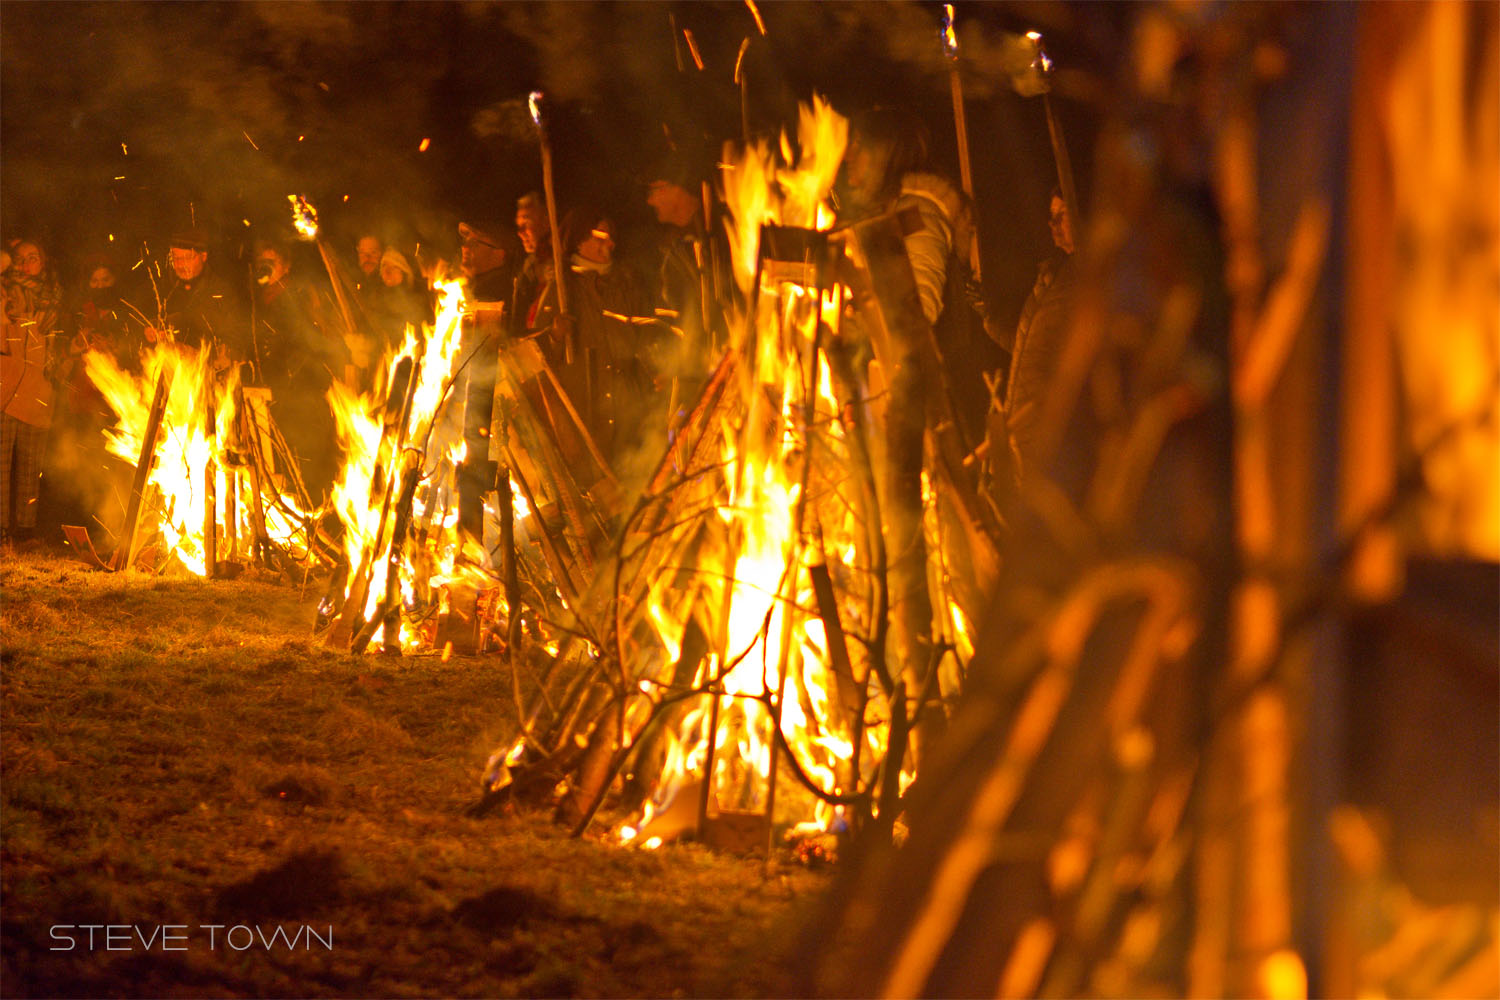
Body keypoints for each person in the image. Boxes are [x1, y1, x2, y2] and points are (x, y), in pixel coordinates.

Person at [559, 206, 657, 467]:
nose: (610, 244)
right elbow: (535, 356)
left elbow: (648, 338)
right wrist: (555, 336)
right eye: (600, 236)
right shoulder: (561, 287)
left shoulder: (626, 283)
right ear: (579, 240)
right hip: (586, 414)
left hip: (628, 412)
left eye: (611, 237)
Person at [249, 238, 343, 501]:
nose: (265, 268)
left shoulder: (296, 297)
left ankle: (310, 509)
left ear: (286, 267)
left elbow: (307, 341)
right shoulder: (261, 297)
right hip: (277, 392)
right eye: (262, 262)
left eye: (272, 263)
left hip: (301, 392)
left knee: (302, 459)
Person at [996, 187, 1078, 481]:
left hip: (1049, 437)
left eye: (1062, 215)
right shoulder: (1056, 276)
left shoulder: (1086, 283)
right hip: (1021, 427)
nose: (1052, 225)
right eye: (1051, 216)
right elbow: (1034, 349)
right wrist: (992, 323)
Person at [1, 239, 63, 545]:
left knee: (29, 468)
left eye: (32, 258)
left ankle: (26, 531)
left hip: (39, 390)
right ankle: (0, 530)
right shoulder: (4, 291)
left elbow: (58, 346)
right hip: (5, 388)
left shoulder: (54, 299)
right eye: (20, 259)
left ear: (44, 262)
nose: (26, 265)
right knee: (0, 467)